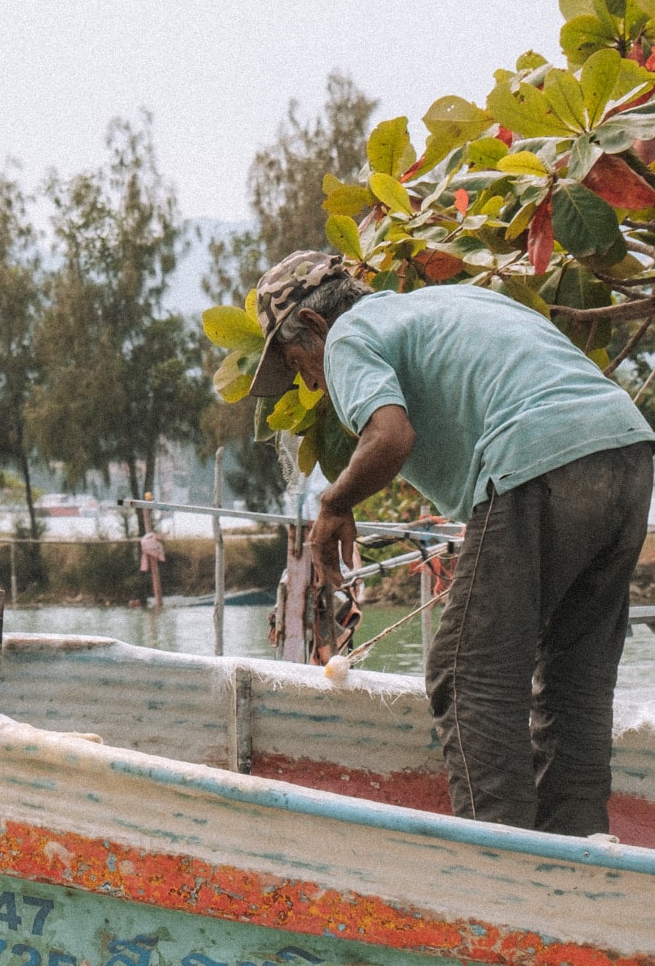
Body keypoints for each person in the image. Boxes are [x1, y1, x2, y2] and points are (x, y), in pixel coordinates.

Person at [247, 252, 655, 836]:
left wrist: (333, 505)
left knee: (466, 677)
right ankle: (578, 858)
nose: (311, 382)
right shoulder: (456, 299)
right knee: (577, 677)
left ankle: (501, 871)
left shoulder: (347, 337)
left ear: (314, 327)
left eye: (298, 363)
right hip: (627, 450)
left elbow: (391, 434)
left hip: (537, 456)